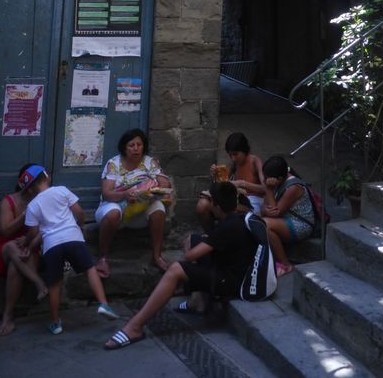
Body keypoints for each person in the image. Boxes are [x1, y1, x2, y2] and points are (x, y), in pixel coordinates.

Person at [104, 181, 258, 349]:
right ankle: (196, 300)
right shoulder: (237, 217)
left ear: (217, 207)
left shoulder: (228, 226)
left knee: (176, 269)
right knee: (193, 239)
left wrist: (183, 264)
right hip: (229, 267)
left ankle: (135, 327)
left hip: (231, 282)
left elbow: (191, 255)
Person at [23, 165, 119, 334]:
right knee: (90, 270)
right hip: (73, 237)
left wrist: (27, 244)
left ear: (29, 189)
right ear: (47, 177)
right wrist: (80, 226)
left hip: (51, 245)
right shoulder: (61, 190)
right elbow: (80, 212)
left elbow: (32, 232)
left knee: (54, 284)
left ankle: (55, 322)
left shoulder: (32, 206)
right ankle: (103, 304)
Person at [95, 128, 172, 277]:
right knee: (112, 214)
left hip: (139, 210)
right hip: (116, 206)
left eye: (139, 145)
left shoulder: (149, 162)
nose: (136, 149)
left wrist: (157, 182)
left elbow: (165, 184)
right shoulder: (114, 164)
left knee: (159, 210)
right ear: (124, 147)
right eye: (131, 145)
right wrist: (125, 194)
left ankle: (157, 256)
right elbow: (107, 194)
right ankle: (103, 258)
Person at [0, 164, 47, 337]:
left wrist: (29, 244)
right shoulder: (8, 201)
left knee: (15, 268)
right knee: (11, 246)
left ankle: (8, 316)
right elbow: (6, 232)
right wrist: (25, 215)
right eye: (40, 184)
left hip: (29, 247)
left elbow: (44, 230)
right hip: (6, 249)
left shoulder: (43, 202)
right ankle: (38, 282)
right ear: (29, 188)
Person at [260, 155, 314, 278]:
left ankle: (285, 264)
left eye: (267, 179)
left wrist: (268, 190)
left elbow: (274, 212)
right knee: (257, 220)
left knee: (265, 224)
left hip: (300, 224)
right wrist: (265, 209)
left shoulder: (293, 187)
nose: (265, 181)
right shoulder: (278, 181)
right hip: (285, 219)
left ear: (279, 178)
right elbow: (265, 207)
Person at [198, 132, 265, 231]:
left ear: (244, 150)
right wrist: (216, 175)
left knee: (226, 210)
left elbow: (265, 188)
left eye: (235, 154)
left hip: (252, 204)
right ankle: (211, 236)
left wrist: (242, 183)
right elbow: (223, 183)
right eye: (230, 155)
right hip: (235, 200)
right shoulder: (234, 163)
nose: (233, 158)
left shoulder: (255, 161)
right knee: (202, 205)